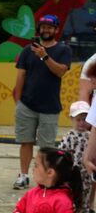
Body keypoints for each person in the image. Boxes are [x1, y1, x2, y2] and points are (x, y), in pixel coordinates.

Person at [12, 14, 72, 190]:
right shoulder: (27, 50)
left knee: (46, 147)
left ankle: (44, 179)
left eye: (50, 27)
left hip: (50, 107)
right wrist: (18, 100)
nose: (46, 30)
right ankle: (23, 175)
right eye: (43, 27)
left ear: (56, 30)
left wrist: (45, 56)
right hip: (27, 104)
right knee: (25, 141)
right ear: (39, 28)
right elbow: (21, 74)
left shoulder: (63, 50)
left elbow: (60, 71)